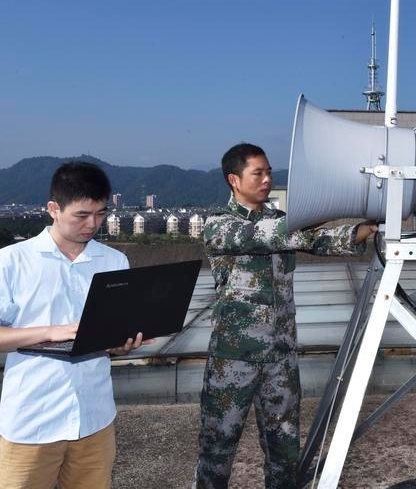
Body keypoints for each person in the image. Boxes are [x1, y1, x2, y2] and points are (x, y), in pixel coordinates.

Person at [193, 142, 378, 489]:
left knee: (284, 450)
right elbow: (276, 235)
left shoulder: (280, 222)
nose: (266, 180)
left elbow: (316, 240)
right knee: (217, 450)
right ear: (234, 180)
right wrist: (329, 206)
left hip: (280, 355)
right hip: (234, 360)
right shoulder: (220, 225)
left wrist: (359, 232)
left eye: (269, 172)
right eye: (257, 173)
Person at [0, 161, 148, 489]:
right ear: (53, 208)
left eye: (100, 213)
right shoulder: (11, 262)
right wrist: (52, 331)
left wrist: (119, 343)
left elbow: (111, 331)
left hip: (94, 419)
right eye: (82, 215)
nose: (92, 224)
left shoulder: (114, 261)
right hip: (32, 421)